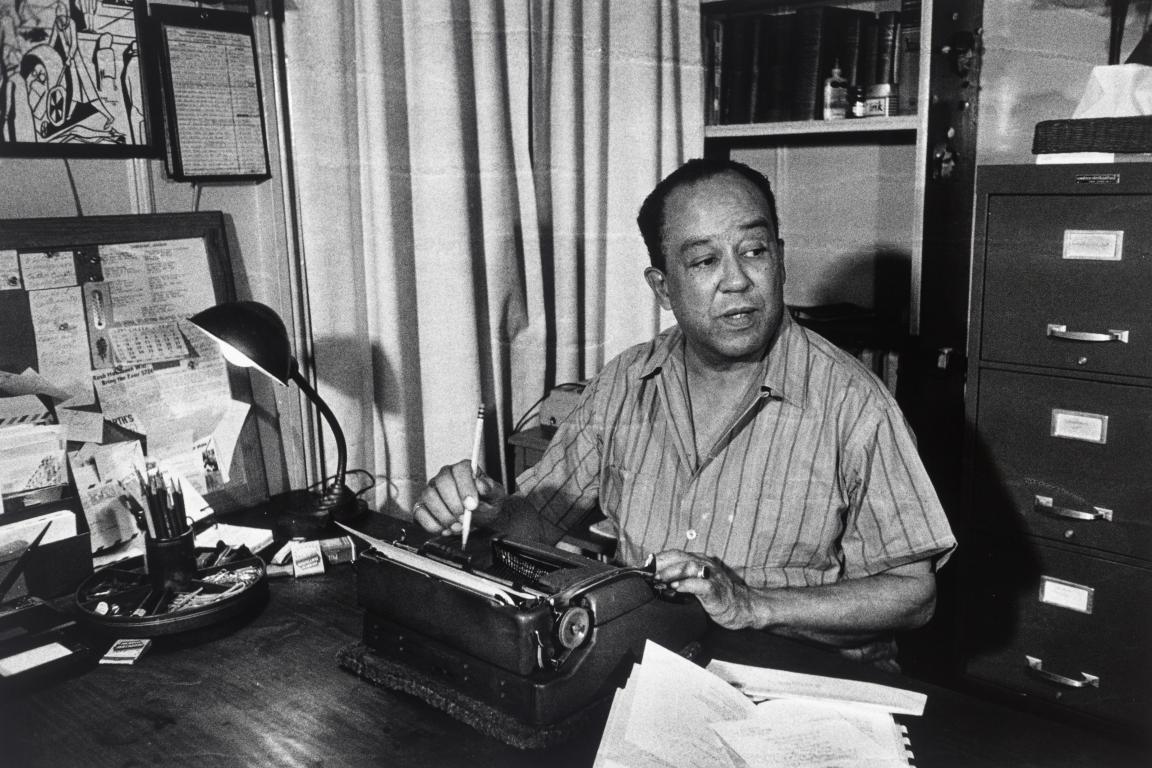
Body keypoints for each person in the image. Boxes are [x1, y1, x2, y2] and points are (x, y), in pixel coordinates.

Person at [415, 158, 956, 670]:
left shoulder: (853, 403)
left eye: (755, 251)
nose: (737, 280)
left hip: (800, 680)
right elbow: (534, 521)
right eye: (704, 261)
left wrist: (754, 603)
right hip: (658, 664)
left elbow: (913, 594)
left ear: (781, 258)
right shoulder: (626, 383)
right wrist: (482, 514)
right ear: (663, 288)